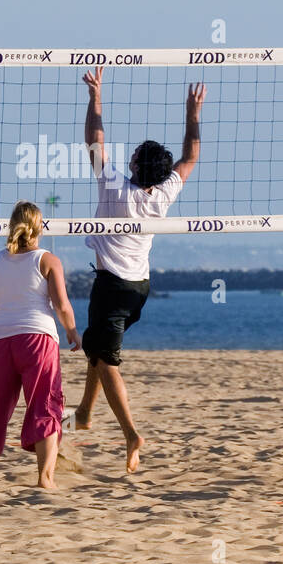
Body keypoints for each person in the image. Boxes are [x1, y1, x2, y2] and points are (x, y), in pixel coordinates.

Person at [72, 66, 205, 472]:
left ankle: (132, 434)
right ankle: (82, 413)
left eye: (132, 154)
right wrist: (192, 113)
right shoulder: (163, 194)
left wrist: (95, 95)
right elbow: (191, 156)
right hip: (140, 288)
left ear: (134, 164)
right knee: (97, 349)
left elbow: (94, 139)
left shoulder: (114, 186)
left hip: (113, 287)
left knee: (107, 361)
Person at [0, 202, 81, 489]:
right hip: (37, 340)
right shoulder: (47, 259)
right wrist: (72, 331)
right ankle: (45, 478)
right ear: (39, 227)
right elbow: (62, 305)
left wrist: (7, 322)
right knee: (45, 405)